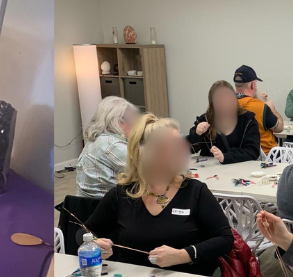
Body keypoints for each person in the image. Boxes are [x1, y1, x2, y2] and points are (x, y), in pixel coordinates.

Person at [86, 114, 233, 274]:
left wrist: (183, 255)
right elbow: (84, 231)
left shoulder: (195, 192)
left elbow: (225, 238)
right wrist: (94, 244)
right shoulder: (122, 194)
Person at [76, 96, 137, 198]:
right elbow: (148, 172)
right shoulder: (112, 146)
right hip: (107, 208)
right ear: (117, 120)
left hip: (86, 206)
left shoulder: (97, 139)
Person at [188, 81, 262, 164]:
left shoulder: (247, 120)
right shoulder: (205, 119)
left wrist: (225, 157)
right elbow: (188, 149)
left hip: (241, 170)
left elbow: (252, 152)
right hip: (211, 171)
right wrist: (196, 134)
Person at [234, 64, 284, 154]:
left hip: (239, 154)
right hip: (266, 156)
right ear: (253, 85)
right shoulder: (261, 107)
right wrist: (271, 108)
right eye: (256, 83)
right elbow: (279, 128)